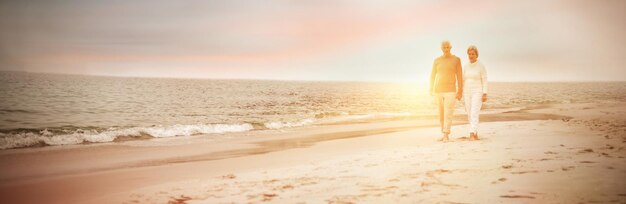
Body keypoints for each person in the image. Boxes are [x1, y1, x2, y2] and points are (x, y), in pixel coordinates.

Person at [430, 41, 463, 142]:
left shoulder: (456, 60)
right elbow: (432, 75)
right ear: (441, 48)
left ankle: (446, 134)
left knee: (448, 113)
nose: (446, 49)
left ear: (450, 47)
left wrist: (460, 90)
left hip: (451, 90)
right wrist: (431, 88)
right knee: (441, 113)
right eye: (444, 47)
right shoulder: (437, 60)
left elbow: (459, 76)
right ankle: (443, 132)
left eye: (448, 47)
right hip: (438, 90)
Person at [463, 45, 488, 141]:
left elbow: (485, 79)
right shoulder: (465, 66)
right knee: (469, 113)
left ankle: (471, 133)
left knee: (474, 112)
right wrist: (460, 91)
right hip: (466, 92)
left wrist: (485, 93)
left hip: (477, 92)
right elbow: (463, 79)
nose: (471, 56)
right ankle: (475, 131)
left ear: (476, 55)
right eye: (469, 54)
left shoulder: (481, 65)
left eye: (473, 54)